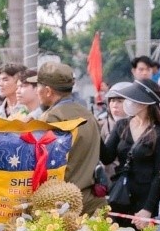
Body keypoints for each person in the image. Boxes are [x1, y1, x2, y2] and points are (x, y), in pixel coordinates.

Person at [29, 62, 106, 215]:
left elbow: (41, 164)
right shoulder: (87, 114)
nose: (36, 91)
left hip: (61, 205)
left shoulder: (52, 117)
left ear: (48, 91)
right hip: (90, 201)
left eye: (37, 86)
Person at [102, 79, 160, 227]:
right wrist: (93, 133)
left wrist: (147, 209)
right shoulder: (122, 125)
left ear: (144, 103)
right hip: (121, 196)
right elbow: (106, 157)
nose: (127, 102)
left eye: (131, 98)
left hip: (145, 200)